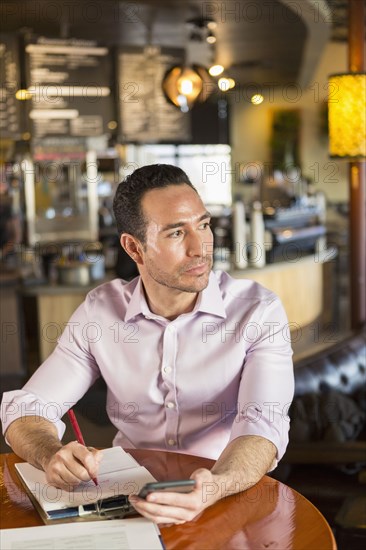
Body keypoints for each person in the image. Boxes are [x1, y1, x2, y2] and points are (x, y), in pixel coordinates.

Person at [1, 164, 294, 524]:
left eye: (203, 225)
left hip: (226, 493)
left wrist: (214, 486)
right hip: (125, 497)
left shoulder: (257, 311)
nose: (199, 248)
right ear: (134, 248)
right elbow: (26, 409)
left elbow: (263, 423)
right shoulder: (101, 312)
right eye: (175, 233)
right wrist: (51, 455)